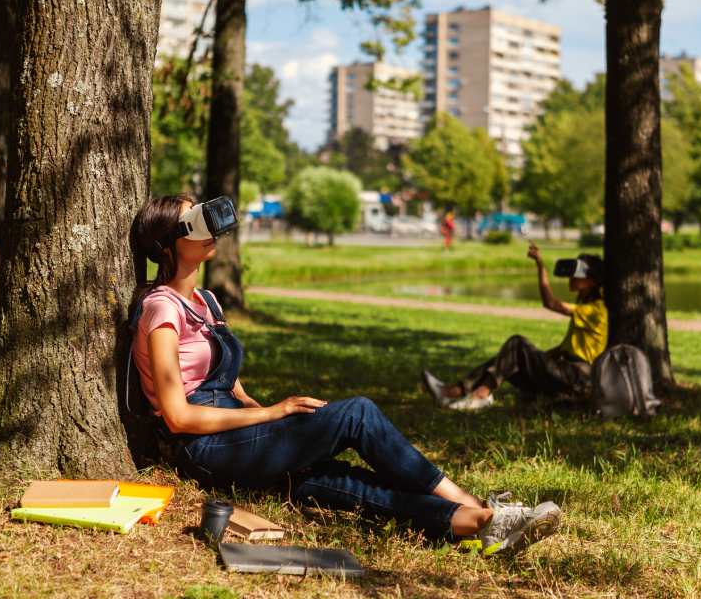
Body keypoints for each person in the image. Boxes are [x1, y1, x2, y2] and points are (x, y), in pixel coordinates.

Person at [127, 194, 561, 555]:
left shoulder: (206, 301)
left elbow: (230, 385)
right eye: (191, 218)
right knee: (356, 415)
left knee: (328, 480)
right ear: (169, 242)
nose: (207, 223)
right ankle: (471, 501)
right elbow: (179, 416)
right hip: (201, 446)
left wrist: (271, 416)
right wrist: (274, 414)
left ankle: (483, 523)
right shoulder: (162, 308)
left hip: (232, 432)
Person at [422, 242, 608, 411]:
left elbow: (550, 303)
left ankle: (477, 395)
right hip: (565, 373)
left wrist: (540, 265)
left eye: (577, 275)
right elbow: (563, 349)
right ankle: (453, 392)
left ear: (591, 281)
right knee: (508, 359)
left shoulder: (596, 310)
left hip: (576, 378)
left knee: (517, 343)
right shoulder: (585, 309)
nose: (571, 278)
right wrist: (534, 360)